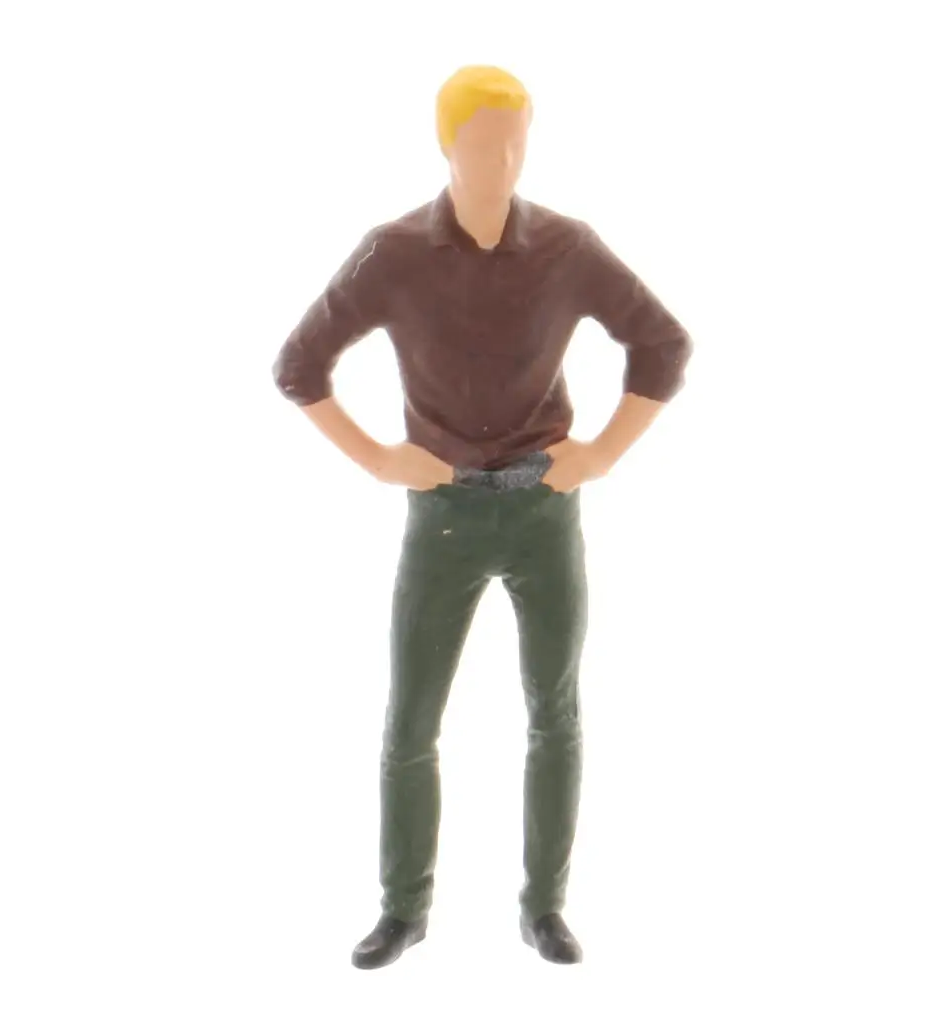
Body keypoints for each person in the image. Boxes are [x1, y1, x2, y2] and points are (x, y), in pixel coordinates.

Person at [271, 64, 693, 968]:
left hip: (544, 506)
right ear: (445, 145)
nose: (502, 163)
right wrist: (379, 457)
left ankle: (545, 906)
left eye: (515, 144)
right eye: (483, 145)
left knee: (556, 711)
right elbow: (299, 365)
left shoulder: (567, 246)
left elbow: (663, 344)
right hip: (444, 513)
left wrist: (603, 452)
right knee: (411, 719)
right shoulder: (393, 252)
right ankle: (404, 908)